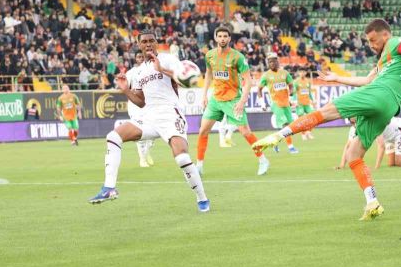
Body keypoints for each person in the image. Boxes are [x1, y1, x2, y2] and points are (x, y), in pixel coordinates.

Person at [252, 18, 401, 221]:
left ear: (385, 34)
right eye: (368, 41)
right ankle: (372, 202)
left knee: (327, 111)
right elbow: (365, 80)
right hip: (388, 108)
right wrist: (337, 78)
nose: (371, 45)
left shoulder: (394, 43)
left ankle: (279, 136)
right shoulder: (384, 61)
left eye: (373, 40)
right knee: (353, 154)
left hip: (379, 93)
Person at [88, 32, 209, 212]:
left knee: (182, 158)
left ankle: (202, 198)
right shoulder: (140, 71)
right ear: (139, 45)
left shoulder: (168, 60)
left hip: (170, 115)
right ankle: (109, 188)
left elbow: (187, 82)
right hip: (149, 117)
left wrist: (162, 70)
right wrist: (125, 90)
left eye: (151, 41)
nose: (148, 44)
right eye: (144, 42)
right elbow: (140, 101)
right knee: (113, 136)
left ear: (156, 43)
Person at [196, 26, 270, 176]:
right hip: (216, 99)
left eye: (225, 36)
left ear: (229, 38)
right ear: (215, 38)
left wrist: (242, 101)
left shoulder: (238, 57)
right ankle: (199, 165)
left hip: (233, 100)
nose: (222, 39)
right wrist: (204, 95)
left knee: (245, 132)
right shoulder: (209, 55)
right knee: (203, 131)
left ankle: (263, 160)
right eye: (220, 36)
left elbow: (248, 81)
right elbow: (209, 74)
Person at [258, 53, 299, 154]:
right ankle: (291, 147)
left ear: (277, 61)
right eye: (269, 62)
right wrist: (262, 103)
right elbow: (259, 89)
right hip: (276, 104)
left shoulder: (284, 73)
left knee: (290, 127)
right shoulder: (266, 75)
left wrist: (291, 96)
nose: (271, 63)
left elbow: (291, 85)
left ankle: (275, 141)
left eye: (273, 61)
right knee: (285, 125)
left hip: (286, 103)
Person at [293, 70, 315, 140]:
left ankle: (308, 132)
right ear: (299, 73)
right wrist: (294, 101)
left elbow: (309, 92)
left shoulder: (308, 81)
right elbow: (294, 92)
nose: (302, 73)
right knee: (301, 120)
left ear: (305, 73)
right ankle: (303, 134)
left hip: (307, 103)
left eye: (303, 72)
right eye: (301, 72)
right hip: (300, 103)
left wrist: (313, 100)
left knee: (312, 118)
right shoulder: (296, 81)